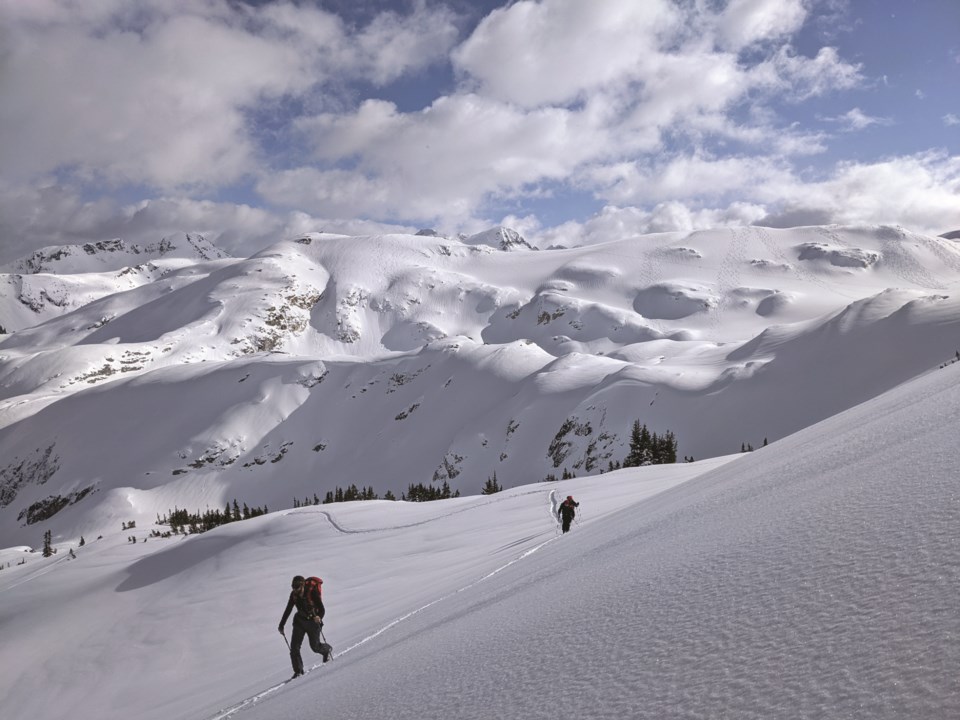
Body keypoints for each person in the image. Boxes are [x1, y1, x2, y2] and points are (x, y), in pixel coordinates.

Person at [278, 575, 330, 676]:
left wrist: (319, 617)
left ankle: (326, 650)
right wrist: (281, 625)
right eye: (293, 586)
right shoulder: (294, 595)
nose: (294, 589)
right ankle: (298, 671)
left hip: (313, 622)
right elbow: (288, 609)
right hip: (299, 622)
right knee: (294, 647)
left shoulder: (312, 592)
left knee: (315, 647)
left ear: (302, 585)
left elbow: (322, 609)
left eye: (297, 587)